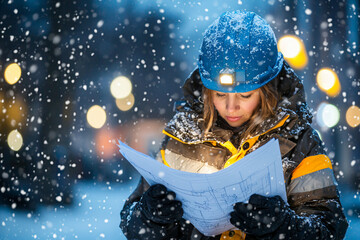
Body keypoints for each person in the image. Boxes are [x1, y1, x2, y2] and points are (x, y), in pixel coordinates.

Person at [120, 10, 348, 240]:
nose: (231, 107)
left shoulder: (300, 142)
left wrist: (283, 227)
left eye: (245, 96)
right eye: (220, 94)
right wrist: (150, 218)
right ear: (207, 91)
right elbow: (131, 223)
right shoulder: (180, 137)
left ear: (266, 91)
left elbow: (329, 227)